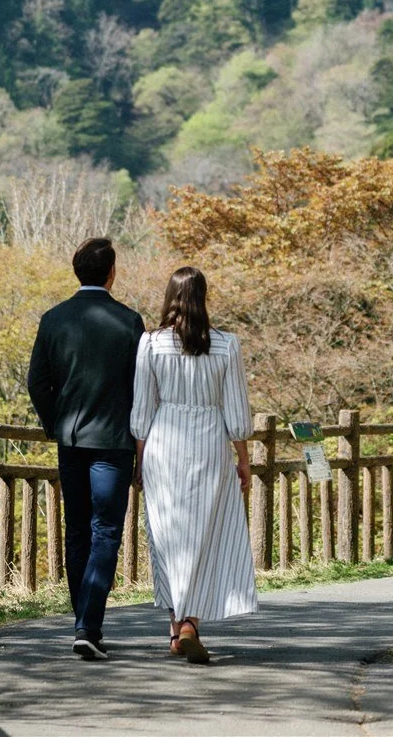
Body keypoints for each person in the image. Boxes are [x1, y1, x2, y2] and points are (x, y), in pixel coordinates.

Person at [131, 265, 258, 664]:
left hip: (163, 443)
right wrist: (243, 459)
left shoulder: (150, 343)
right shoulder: (226, 345)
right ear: (203, 297)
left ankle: (176, 625)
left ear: (170, 297)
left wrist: (139, 462)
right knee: (204, 535)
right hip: (209, 444)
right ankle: (189, 624)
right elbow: (236, 411)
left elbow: (141, 410)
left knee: (168, 536)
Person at [26, 236, 145, 661]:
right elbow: (142, 388)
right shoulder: (130, 322)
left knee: (76, 529)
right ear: (112, 272)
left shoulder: (54, 319)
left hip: (71, 438)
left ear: (77, 270)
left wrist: (55, 422)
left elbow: (37, 383)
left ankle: (84, 622)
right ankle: (88, 625)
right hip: (114, 442)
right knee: (106, 531)